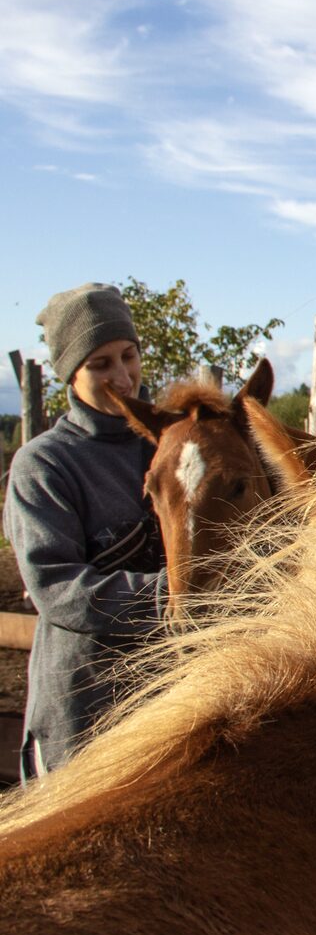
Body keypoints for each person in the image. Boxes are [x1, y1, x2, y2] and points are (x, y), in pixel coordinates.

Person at [4, 284, 165, 780]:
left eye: (129, 355)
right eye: (100, 364)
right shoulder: (45, 466)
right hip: (85, 715)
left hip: (165, 705)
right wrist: (175, 597)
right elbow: (58, 589)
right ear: (70, 374)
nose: (122, 376)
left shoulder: (169, 445)